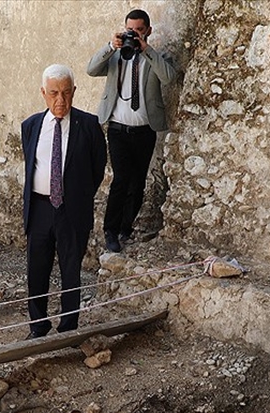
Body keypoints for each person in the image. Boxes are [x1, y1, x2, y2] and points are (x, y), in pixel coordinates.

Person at [20, 64, 107, 337]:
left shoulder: (89, 125)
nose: (61, 100)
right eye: (54, 93)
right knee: (37, 270)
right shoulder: (31, 126)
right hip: (39, 208)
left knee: (71, 271)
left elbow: (97, 169)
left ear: (74, 92)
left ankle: (68, 328)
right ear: (43, 93)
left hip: (72, 210)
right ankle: (38, 326)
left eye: (66, 93)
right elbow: (31, 165)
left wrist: (77, 195)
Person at [86, 7, 177, 252]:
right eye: (130, 30)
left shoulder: (157, 57)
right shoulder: (115, 55)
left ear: (148, 31)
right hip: (117, 129)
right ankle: (111, 231)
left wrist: (146, 49)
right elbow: (91, 69)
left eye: (139, 30)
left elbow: (169, 77)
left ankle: (126, 228)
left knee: (138, 184)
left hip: (145, 130)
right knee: (121, 180)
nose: (134, 34)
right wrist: (110, 46)